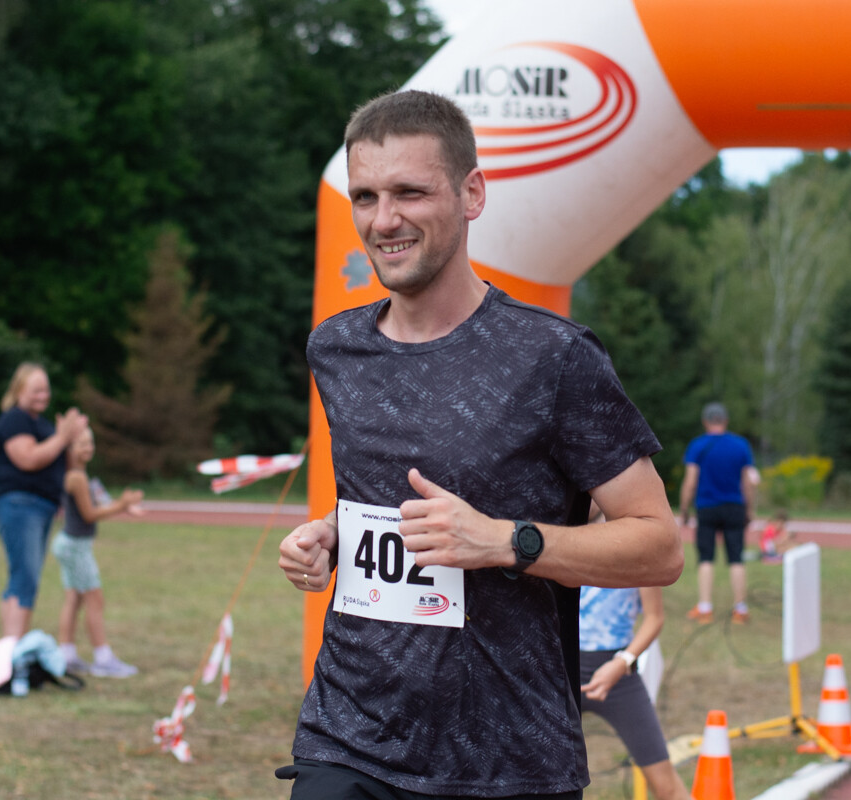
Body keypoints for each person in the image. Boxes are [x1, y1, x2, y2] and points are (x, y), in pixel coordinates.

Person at [276, 89, 683, 800]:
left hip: (509, 759)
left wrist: (504, 541)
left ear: (472, 194)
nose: (383, 220)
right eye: (365, 197)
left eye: (409, 192)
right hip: (349, 735)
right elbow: (384, 501)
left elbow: (659, 546)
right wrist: (331, 536)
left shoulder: (554, 357)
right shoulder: (335, 349)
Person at [578, 507, 688, 800]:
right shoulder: (555, 534)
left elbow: (654, 617)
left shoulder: (635, 544)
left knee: (666, 785)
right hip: (559, 672)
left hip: (617, 674)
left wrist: (623, 661)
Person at [0, 362, 88, 641]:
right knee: (25, 578)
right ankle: (13, 649)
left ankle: (13, 645)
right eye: (36, 390)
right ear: (19, 390)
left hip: (41, 508)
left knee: (24, 577)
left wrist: (74, 440)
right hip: (20, 505)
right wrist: (62, 437)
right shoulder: (14, 420)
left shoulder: (41, 425)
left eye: (45, 390)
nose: (43, 396)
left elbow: (69, 467)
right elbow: (28, 458)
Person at [51, 425, 145, 677]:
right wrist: (121, 506)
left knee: (74, 598)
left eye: (90, 442)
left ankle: (67, 655)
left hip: (70, 544)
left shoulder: (80, 474)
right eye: (81, 443)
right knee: (94, 599)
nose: (88, 448)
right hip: (76, 547)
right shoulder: (76, 477)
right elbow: (90, 514)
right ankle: (103, 659)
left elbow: (101, 502)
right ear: (68, 448)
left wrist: (124, 507)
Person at [678, 402, 755, 624]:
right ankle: (740, 608)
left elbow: (690, 481)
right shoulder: (741, 445)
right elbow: (747, 482)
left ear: (705, 422)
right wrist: (749, 509)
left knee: (705, 558)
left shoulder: (697, 446)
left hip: (707, 507)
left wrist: (684, 509)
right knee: (736, 558)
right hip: (734, 506)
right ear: (726, 421)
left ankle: (705, 607)